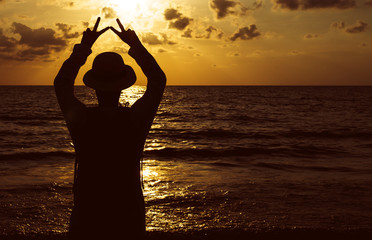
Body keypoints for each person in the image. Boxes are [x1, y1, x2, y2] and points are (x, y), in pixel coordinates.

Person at [54, 17, 166, 239]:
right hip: (128, 208)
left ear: (94, 84)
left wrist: (84, 47)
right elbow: (157, 80)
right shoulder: (136, 119)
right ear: (124, 83)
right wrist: (135, 45)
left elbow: (62, 84)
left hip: (88, 208)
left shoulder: (82, 119)